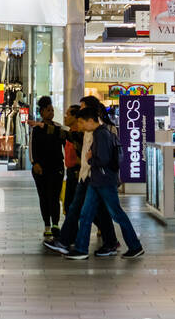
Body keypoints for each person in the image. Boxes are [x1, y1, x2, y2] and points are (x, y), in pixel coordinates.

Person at [64, 109, 144, 260]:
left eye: (82, 122)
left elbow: (103, 160)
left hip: (104, 181)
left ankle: (135, 246)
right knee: (86, 214)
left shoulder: (101, 134)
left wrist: (89, 158)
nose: (80, 125)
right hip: (97, 181)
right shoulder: (101, 133)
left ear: (90, 121)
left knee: (117, 214)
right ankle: (81, 249)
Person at [45, 107, 119, 255]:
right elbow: (65, 134)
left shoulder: (98, 133)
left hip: (91, 178)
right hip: (83, 177)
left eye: (69, 115)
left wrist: (87, 161)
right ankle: (74, 243)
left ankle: (75, 244)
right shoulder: (83, 133)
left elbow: (101, 158)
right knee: (81, 210)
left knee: (91, 211)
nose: (66, 117)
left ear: (90, 120)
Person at [30, 97, 64, 237]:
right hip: (41, 168)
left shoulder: (58, 127)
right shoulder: (36, 129)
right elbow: (32, 148)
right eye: (48, 110)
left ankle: (56, 223)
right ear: (42, 112)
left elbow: (67, 136)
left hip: (56, 167)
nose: (51, 113)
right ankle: (47, 225)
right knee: (43, 196)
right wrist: (34, 164)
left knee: (54, 196)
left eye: (52, 110)